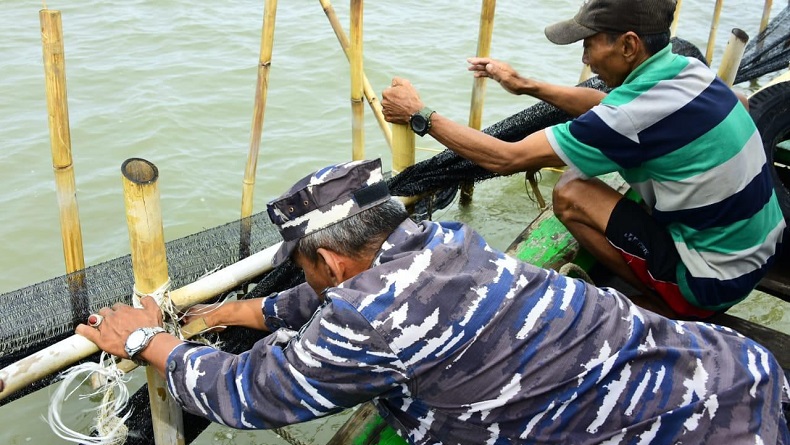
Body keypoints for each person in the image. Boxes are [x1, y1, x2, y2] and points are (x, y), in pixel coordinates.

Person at [77, 158, 789, 444]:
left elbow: (251, 393)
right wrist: (239, 312)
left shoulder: (369, 317)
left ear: (325, 258)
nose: (308, 282)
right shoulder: (439, 241)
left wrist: (147, 340)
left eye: (307, 269)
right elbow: (346, 302)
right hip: (737, 369)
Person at [380, 0, 786, 320]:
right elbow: (610, 104)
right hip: (757, 252)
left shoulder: (632, 116)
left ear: (628, 44)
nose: (586, 60)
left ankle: (663, 301)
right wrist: (524, 85)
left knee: (571, 192)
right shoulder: (687, 71)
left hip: (708, 284)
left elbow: (506, 158)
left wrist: (421, 116)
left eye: (590, 44)